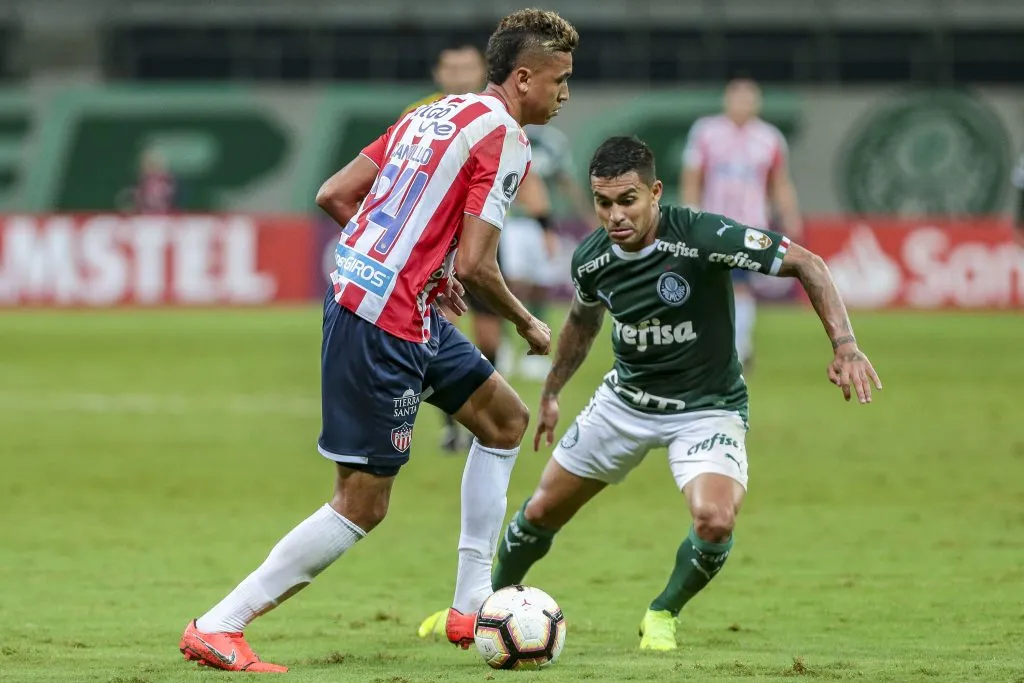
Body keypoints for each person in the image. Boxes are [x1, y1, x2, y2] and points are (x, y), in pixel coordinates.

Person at [178, 9, 578, 672]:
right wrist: (525, 320)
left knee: (504, 419)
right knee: (363, 502)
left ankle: (469, 602)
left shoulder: (433, 112)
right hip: (382, 323)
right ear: (525, 77)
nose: (566, 93)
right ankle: (222, 623)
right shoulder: (505, 138)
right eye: (560, 80)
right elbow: (480, 265)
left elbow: (335, 193)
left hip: (392, 301)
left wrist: (414, 263)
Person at [420, 135, 881, 651]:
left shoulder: (703, 235)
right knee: (540, 512)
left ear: (655, 192)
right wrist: (551, 391)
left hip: (707, 409)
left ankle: (663, 611)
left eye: (627, 200)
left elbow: (809, 263)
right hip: (624, 402)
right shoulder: (592, 259)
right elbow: (582, 321)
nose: (615, 215)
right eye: (603, 203)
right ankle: (482, 607)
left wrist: (845, 345)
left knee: (714, 518)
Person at [403, 41, 560, 451]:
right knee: (441, 332)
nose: (458, 75)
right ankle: (453, 426)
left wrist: (545, 223)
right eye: (450, 68)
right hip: (434, 248)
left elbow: (523, 175)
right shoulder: (420, 114)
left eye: (466, 67)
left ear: (481, 71)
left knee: (488, 338)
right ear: (439, 74)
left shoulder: (498, 120)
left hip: (481, 240)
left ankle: (478, 413)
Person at [681, 78, 803, 370]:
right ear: (727, 100)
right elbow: (692, 176)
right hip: (712, 222)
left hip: (751, 226)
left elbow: (779, 182)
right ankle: (713, 343)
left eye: (749, 99)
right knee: (709, 285)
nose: (743, 104)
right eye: (737, 98)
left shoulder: (769, 138)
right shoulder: (706, 132)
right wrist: (689, 212)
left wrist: (790, 214)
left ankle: (740, 345)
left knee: (743, 286)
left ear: (757, 103)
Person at [500, 123, 597, 380]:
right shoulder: (505, 133)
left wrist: (586, 215)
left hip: (545, 223)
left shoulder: (553, 141)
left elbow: (565, 180)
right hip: (513, 220)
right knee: (513, 283)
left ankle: (531, 350)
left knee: (542, 284)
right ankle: (505, 342)